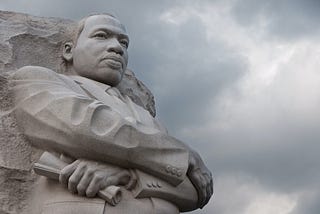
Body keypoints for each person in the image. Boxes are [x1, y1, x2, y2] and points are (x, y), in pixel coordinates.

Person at [10, 13, 213, 214]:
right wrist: (182, 155)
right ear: (69, 50)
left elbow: (197, 191)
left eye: (124, 43)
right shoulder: (38, 80)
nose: (117, 48)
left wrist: (128, 175)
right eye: (101, 35)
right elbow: (85, 128)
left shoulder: (150, 120)